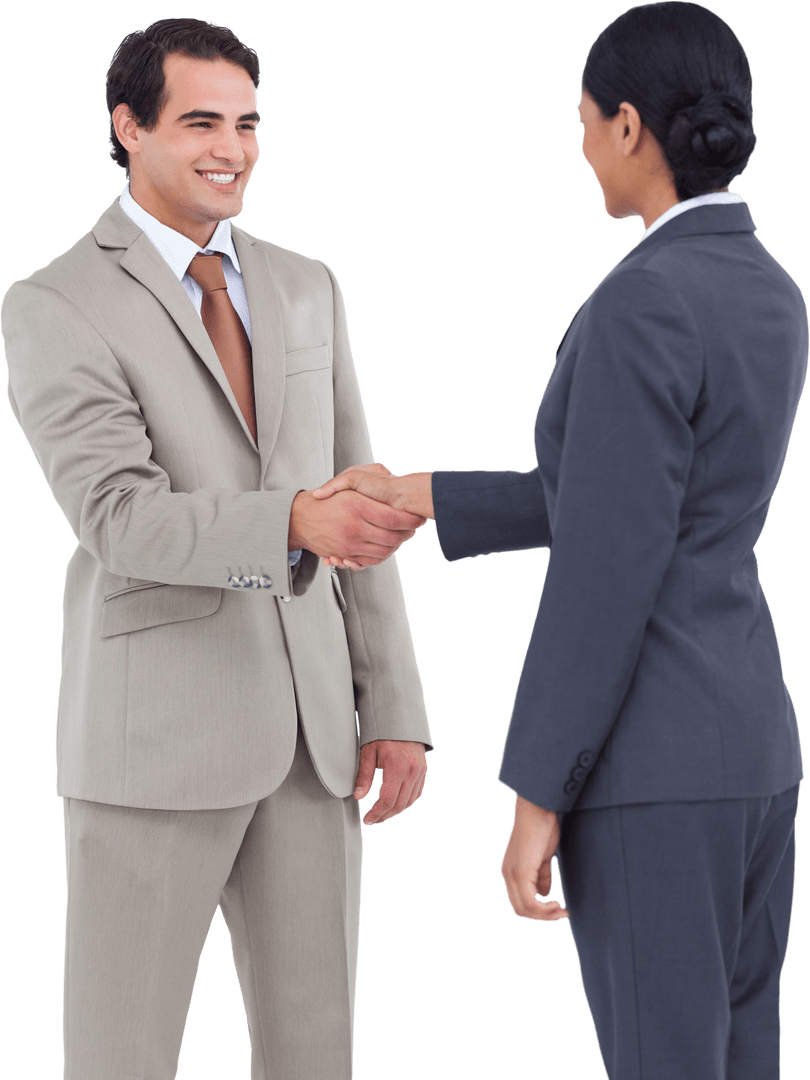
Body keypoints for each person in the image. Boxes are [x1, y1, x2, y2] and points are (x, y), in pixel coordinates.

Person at [312, 3, 806, 1077]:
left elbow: (610, 566)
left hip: (654, 765)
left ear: (630, 126)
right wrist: (423, 494)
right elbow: (624, 497)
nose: (580, 143)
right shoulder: (768, 287)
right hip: (755, 754)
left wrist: (541, 794)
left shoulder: (644, 299)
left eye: (583, 121)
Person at [0, 17, 433, 1080]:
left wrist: (396, 708)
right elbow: (116, 515)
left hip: (313, 736)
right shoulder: (55, 303)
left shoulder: (304, 285)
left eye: (246, 125)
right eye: (200, 122)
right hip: (156, 738)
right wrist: (289, 522)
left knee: (314, 1051)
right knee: (122, 1056)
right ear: (128, 126)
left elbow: (359, 498)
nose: (230, 149)